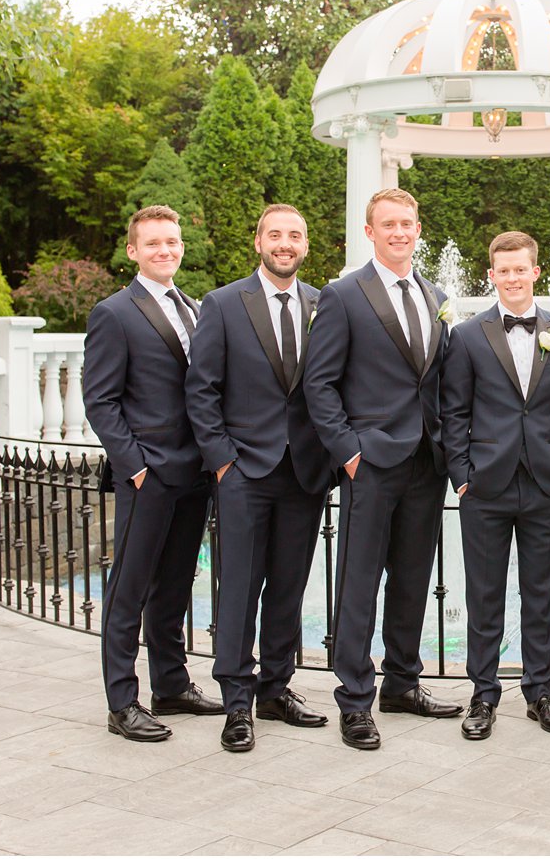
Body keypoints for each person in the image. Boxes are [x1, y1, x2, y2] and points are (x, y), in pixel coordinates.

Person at [304, 188, 462, 752]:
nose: (400, 232)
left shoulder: (435, 293)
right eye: (389, 224)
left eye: (408, 224)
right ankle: (354, 700)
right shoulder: (343, 295)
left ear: (418, 229)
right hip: (369, 461)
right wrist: (348, 450)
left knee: (414, 578)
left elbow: (439, 379)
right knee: (358, 581)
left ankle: (402, 683)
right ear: (369, 232)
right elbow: (318, 383)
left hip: (425, 459)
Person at [185, 204, 334, 751]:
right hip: (244, 468)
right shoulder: (223, 304)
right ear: (259, 242)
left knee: (288, 588)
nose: (285, 243)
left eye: (295, 235)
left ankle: (276, 688)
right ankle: (236, 703)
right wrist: (223, 461)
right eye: (276, 235)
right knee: (239, 587)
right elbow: (201, 389)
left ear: (306, 244)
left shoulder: (325, 303)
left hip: (305, 470)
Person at [441, 231, 550, 740]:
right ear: (491, 275)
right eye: (502, 271)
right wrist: (461, 475)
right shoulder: (465, 336)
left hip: (548, 484)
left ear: (536, 272)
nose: (512, 278)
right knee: (484, 597)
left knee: (541, 593)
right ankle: (483, 696)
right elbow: (453, 411)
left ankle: (540, 692)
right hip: (485, 486)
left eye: (520, 269)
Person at [84, 205, 223, 742]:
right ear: (133, 251)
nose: (165, 250)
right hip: (148, 474)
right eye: (154, 243)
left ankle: (170, 684)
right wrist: (136, 467)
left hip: (194, 472)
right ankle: (122, 702)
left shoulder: (192, 307)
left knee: (174, 586)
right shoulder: (114, 313)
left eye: (172, 241)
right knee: (129, 589)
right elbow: (101, 401)